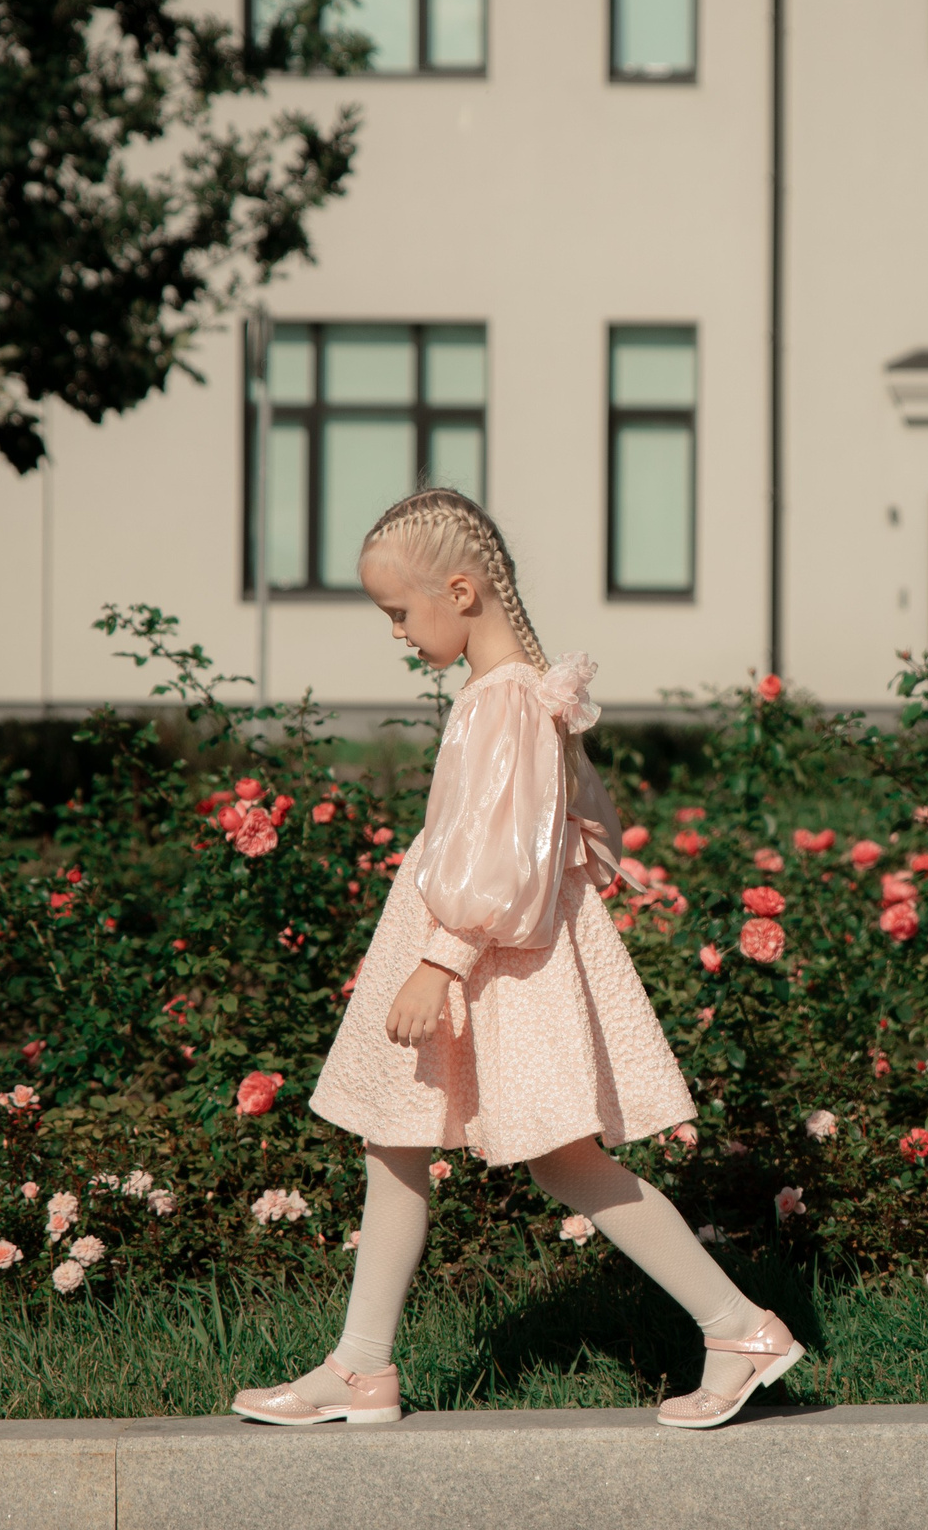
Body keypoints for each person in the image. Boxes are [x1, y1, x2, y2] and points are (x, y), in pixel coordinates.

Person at [232, 488, 800, 1430]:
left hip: (491, 955)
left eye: (401, 614)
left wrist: (441, 958)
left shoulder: (504, 705)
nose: (399, 634)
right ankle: (362, 1366)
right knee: (397, 1136)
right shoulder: (525, 695)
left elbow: (500, 856)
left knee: (562, 1156)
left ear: (460, 592)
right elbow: (577, 832)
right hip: (492, 943)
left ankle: (739, 1326)